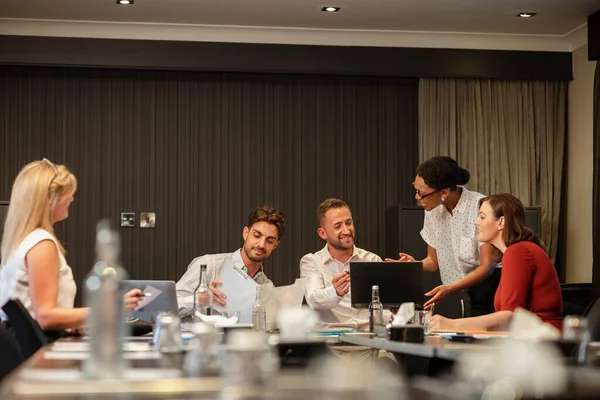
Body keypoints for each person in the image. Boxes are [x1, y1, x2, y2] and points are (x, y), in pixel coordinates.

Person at [0, 159, 142, 334]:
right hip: (40, 347)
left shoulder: (22, 241)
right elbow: (46, 317)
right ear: (50, 199)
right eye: (69, 193)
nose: (72, 198)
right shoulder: (41, 243)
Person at [429, 194, 563, 331]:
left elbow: (510, 315)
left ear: (501, 222)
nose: (476, 222)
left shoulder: (518, 251)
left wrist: (452, 325)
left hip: (541, 341)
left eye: (482, 217)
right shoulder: (518, 250)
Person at [390, 156, 498, 316]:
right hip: (455, 295)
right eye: (415, 189)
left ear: (444, 192)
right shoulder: (432, 210)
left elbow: (487, 266)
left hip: (487, 292)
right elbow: (433, 261)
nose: (417, 197)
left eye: (421, 194)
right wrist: (413, 265)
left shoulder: (479, 206)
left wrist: (451, 288)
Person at [176, 205, 285, 319]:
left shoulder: (267, 287)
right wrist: (198, 299)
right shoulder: (209, 265)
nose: (261, 244)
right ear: (245, 233)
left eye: (269, 240)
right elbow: (165, 308)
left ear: (275, 245)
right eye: (257, 235)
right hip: (199, 336)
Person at [300, 198, 391, 330]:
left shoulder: (372, 260)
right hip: (333, 344)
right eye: (337, 226)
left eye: (349, 223)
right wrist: (335, 292)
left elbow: (384, 308)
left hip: (370, 341)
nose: (346, 231)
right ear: (322, 233)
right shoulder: (312, 262)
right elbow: (314, 300)